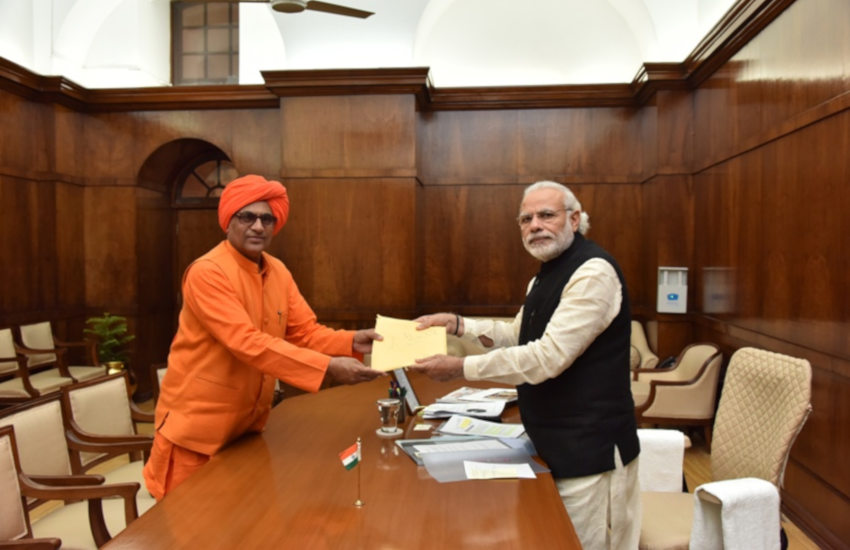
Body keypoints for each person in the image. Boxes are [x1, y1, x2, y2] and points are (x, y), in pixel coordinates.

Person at [411, 180, 640, 549]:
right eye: (526, 219)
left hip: (589, 453)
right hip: (549, 443)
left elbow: (547, 357)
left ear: (574, 219)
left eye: (547, 215)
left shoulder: (592, 273)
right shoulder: (544, 275)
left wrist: (461, 368)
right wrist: (457, 324)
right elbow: (517, 335)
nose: (535, 225)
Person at [143, 174, 383, 500]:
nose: (258, 226)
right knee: (192, 526)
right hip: (197, 435)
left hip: (247, 429)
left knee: (245, 522)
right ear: (228, 222)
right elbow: (247, 342)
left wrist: (351, 341)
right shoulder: (207, 272)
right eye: (247, 217)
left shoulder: (278, 271)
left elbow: (304, 332)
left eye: (267, 219)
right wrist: (328, 367)